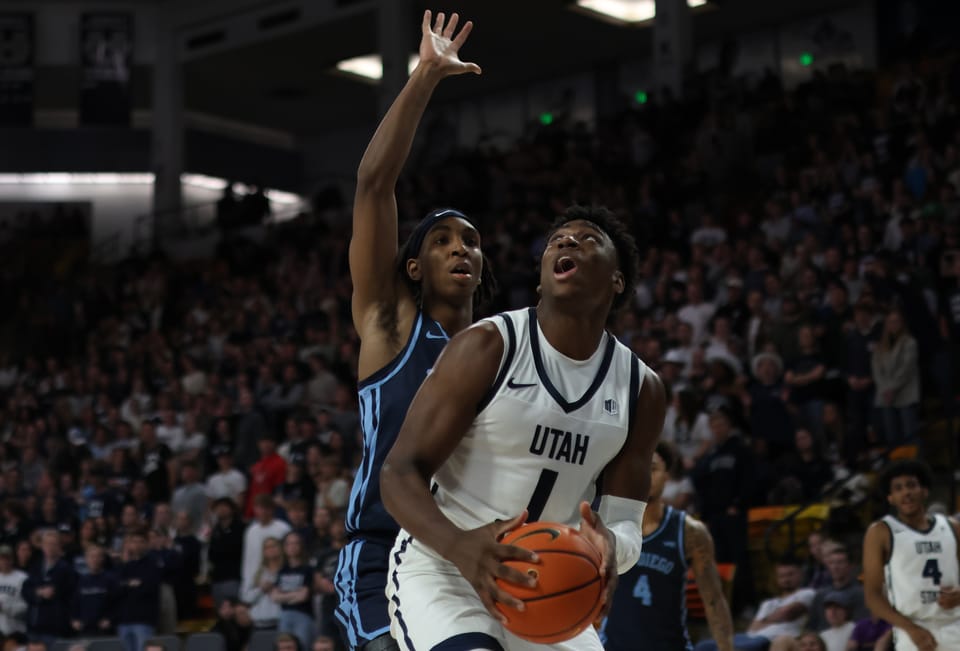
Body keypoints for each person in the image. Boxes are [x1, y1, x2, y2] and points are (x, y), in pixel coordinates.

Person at [381, 205, 665, 651]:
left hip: (551, 582)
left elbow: (626, 522)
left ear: (617, 280)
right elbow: (398, 473)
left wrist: (611, 544)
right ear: (541, 278)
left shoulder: (641, 388)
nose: (566, 241)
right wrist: (460, 547)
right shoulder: (488, 345)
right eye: (557, 240)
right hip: (445, 569)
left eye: (587, 239)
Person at [333, 9, 494, 651]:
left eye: (473, 242)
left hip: (468, 556)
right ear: (412, 265)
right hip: (381, 553)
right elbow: (373, 186)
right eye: (443, 240)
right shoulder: (391, 323)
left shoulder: (501, 353)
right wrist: (424, 76)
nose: (461, 249)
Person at [601, 441, 734, 651]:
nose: (644, 476)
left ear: (667, 476)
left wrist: (727, 648)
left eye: (652, 469)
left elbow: (714, 601)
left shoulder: (690, 531)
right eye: (639, 468)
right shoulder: (608, 526)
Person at [862, 460, 960, 651]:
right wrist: (911, 629)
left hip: (955, 625)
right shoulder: (881, 532)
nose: (906, 492)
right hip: (912, 631)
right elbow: (872, 596)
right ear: (890, 498)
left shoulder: (952, 527)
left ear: (924, 490)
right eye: (898, 488)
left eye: (911, 485)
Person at [696, 557, 815, 651]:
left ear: (801, 574)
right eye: (782, 576)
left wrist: (765, 620)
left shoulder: (807, 593)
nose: (786, 579)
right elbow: (753, 627)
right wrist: (775, 617)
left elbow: (788, 613)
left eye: (790, 574)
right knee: (703, 646)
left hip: (772, 638)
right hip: (750, 637)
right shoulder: (769, 603)